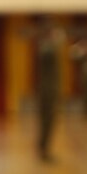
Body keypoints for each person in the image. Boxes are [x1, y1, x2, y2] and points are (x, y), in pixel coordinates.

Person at [35, 20, 62, 162]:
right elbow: (48, 52)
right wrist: (55, 41)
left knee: (49, 122)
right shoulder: (46, 46)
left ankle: (44, 148)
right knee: (47, 121)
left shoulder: (47, 46)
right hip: (47, 91)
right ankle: (43, 150)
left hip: (49, 89)